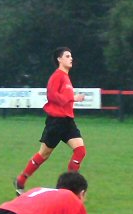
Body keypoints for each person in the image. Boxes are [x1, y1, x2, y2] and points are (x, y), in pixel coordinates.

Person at [14, 47, 87, 195]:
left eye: (71, 56)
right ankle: (21, 180)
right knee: (44, 154)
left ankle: (69, 189)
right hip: (56, 122)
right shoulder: (57, 76)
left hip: (68, 121)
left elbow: (63, 98)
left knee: (80, 150)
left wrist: (72, 99)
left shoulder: (66, 77)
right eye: (67, 56)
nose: (71, 58)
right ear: (59, 59)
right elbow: (52, 96)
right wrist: (73, 98)